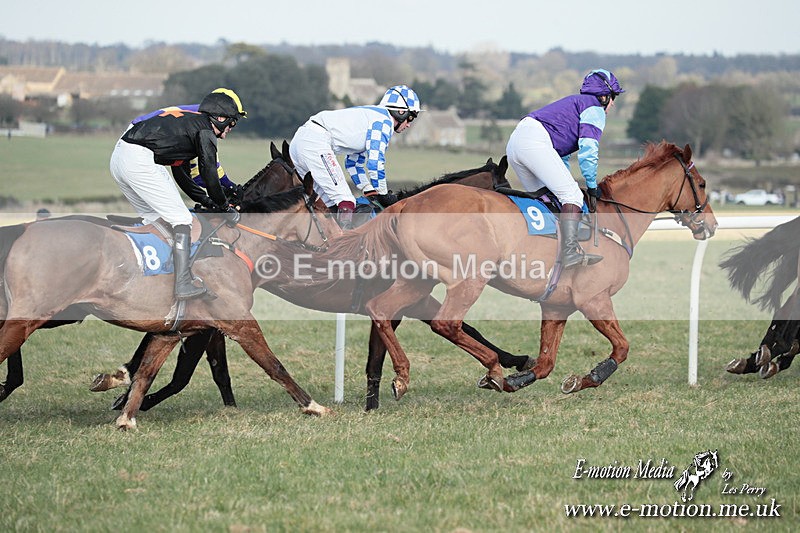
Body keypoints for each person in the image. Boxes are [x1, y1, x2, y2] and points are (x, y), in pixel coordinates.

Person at [109, 88, 246, 300]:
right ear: (220, 118)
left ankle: (157, 278)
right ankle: (183, 284)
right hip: (138, 160)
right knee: (182, 220)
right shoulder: (205, 132)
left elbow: (184, 178)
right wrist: (224, 207)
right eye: (231, 124)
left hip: (120, 158)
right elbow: (209, 173)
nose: (229, 130)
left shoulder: (187, 127)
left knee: (159, 221)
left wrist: (207, 201)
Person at [505, 69, 624, 269]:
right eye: (613, 98)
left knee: (546, 199)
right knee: (573, 197)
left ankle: (541, 252)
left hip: (516, 143)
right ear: (604, 96)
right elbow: (589, 149)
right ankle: (569, 253)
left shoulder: (575, 104)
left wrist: (566, 181)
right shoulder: (594, 108)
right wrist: (591, 184)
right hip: (534, 143)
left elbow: (562, 157)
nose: (612, 104)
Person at [289, 84, 421, 229]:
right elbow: (375, 163)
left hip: (300, 141)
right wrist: (383, 194)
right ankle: (344, 245)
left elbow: (353, 163)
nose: (408, 124)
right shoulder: (384, 122)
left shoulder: (372, 117)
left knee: (326, 204)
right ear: (400, 112)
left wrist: (368, 188)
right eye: (410, 117)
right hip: (315, 141)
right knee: (346, 201)